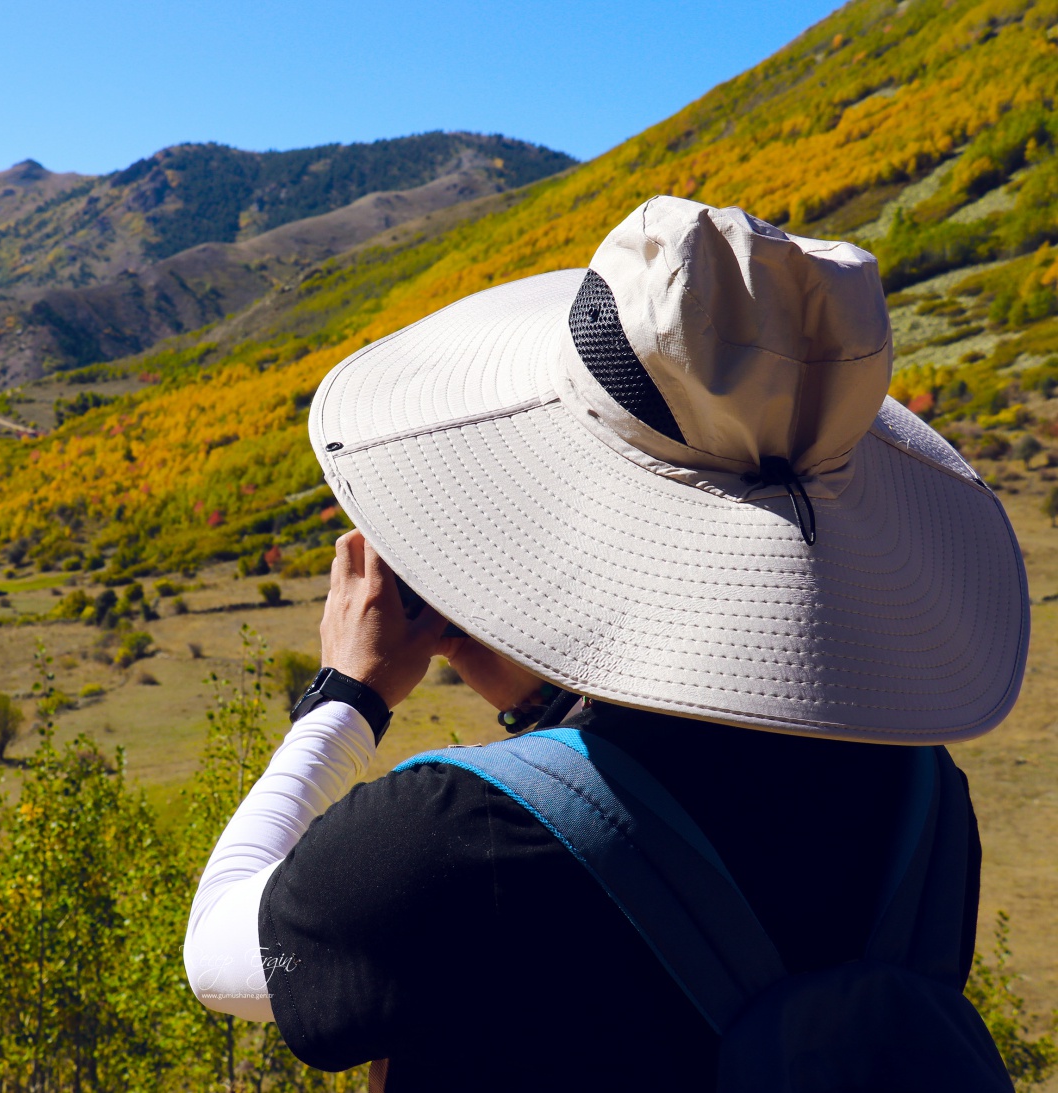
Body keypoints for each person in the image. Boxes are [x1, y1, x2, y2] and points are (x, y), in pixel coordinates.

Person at [182, 196, 1029, 1091]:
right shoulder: (926, 802)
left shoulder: (459, 836)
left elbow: (220, 947)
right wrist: (552, 702)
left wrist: (347, 696)